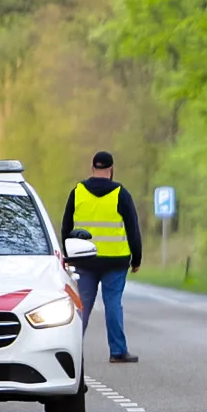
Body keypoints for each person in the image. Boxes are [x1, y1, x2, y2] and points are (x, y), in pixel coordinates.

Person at [60, 151, 144, 364]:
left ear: (92, 169)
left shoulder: (77, 192)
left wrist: (68, 254)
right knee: (113, 304)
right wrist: (137, 259)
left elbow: (66, 227)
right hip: (115, 261)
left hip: (84, 260)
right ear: (111, 169)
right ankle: (117, 351)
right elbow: (133, 229)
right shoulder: (120, 193)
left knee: (83, 306)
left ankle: (71, 350)